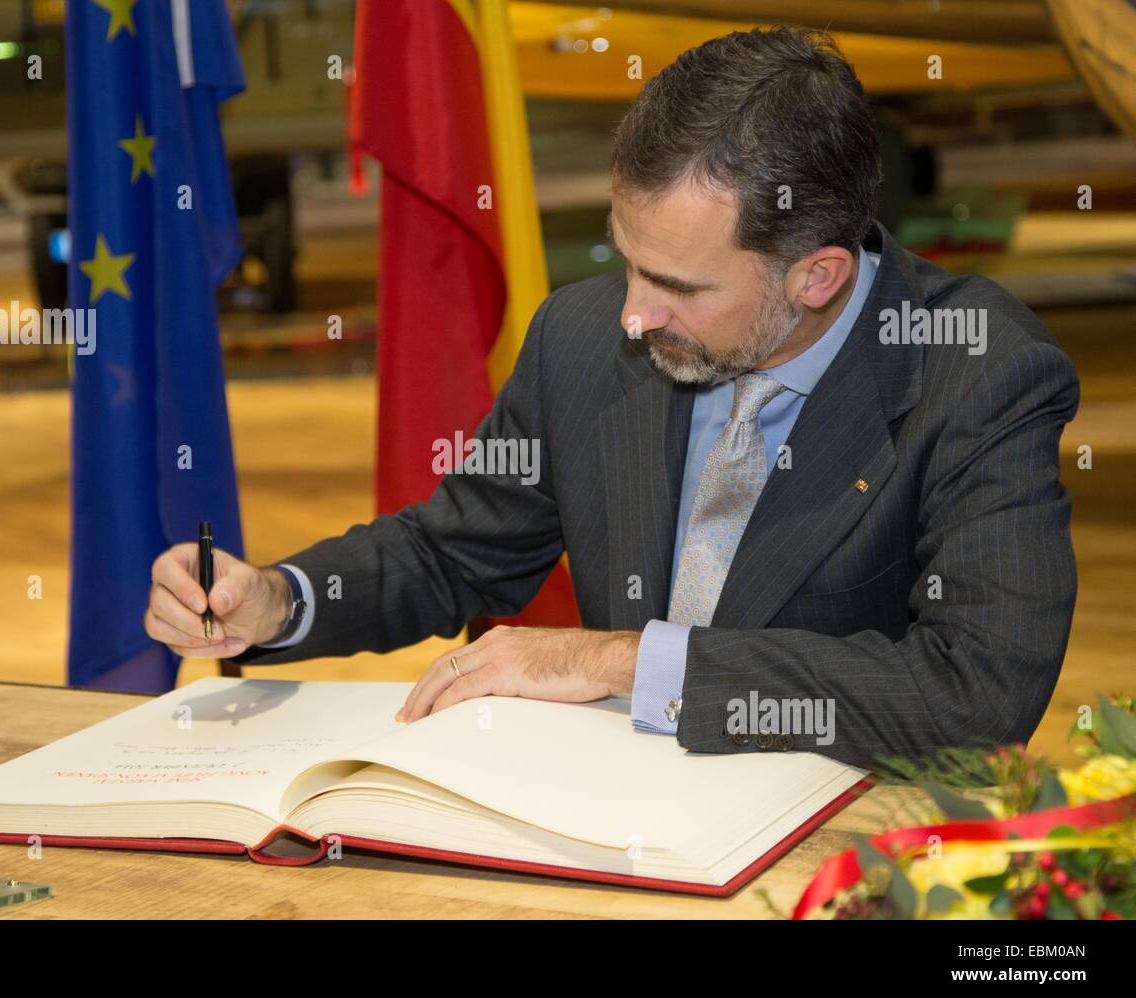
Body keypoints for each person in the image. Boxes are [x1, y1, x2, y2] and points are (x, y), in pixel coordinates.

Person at [145, 26, 1079, 772]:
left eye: (676, 283)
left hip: (837, 858)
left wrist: (617, 660)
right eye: (625, 258)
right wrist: (281, 598)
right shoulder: (581, 336)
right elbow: (455, 547)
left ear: (818, 277)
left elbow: (976, 692)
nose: (632, 313)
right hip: (608, 823)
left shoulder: (977, 374)